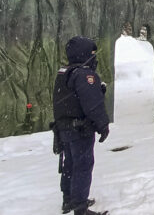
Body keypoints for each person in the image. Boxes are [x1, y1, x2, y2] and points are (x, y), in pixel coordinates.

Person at [52, 36, 110, 215]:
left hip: (64, 129)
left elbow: (65, 100)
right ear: (84, 53)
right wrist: (103, 124)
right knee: (82, 165)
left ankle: (69, 199)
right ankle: (80, 207)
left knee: (70, 164)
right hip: (80, 129)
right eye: (92, 53)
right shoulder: (85, 75)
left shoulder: (64, 72)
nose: (94, 56)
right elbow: (92, 104)